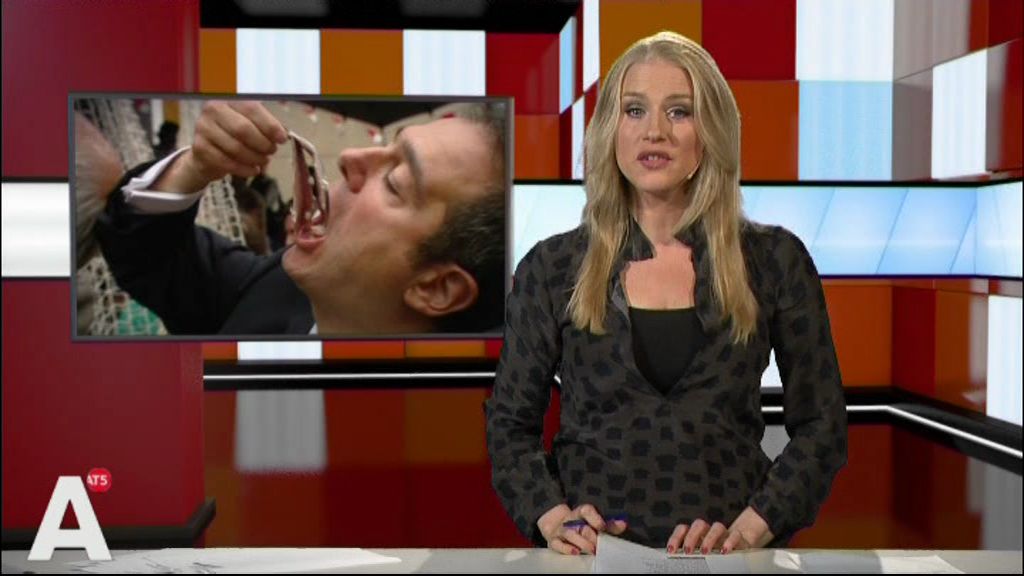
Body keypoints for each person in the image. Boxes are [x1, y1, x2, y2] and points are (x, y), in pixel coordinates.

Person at [485, 31, 847, 555]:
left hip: (728, 561)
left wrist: (751, 529)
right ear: (610, 130)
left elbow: (822, 426)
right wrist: (555, 518)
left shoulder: (775, 261)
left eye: (679, 112)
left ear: (712, 130)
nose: (654, 131)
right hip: (595, 561)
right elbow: (510, 425)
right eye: (634, 110)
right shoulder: (552, 268)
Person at [96, 100, 507, 335]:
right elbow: (143, 253)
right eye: (388, 146)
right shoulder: (277, 287)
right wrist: (195, 167)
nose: (350, 156)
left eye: (395, 181)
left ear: (436, 287)